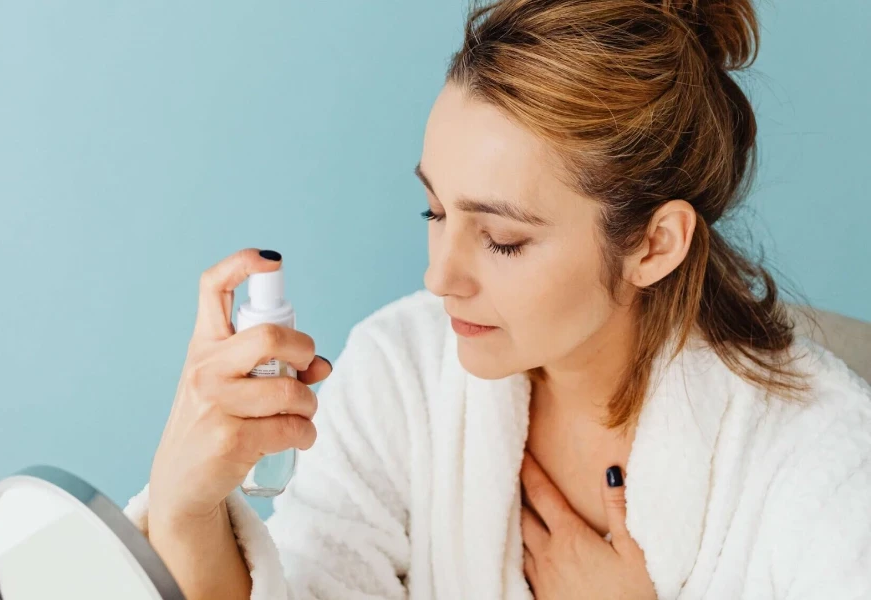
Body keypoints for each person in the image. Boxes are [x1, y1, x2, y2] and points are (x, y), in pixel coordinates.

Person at [123, 0, 871, 598]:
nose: (439, 278)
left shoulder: (818, 464)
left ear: (655, 245)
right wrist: (186, 511)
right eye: (436, 214)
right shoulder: (404, 373)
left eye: (503, 240)